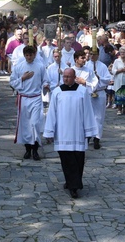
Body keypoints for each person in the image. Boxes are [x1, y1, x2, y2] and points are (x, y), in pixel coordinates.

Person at [43, 68, 97, 199]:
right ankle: (73, 186)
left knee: (78, 159)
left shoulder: (82, 91)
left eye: (69, 76)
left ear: (74, 77)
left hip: (78, 131)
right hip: (62, 132)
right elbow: (52, 113)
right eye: (64, 76)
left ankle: (73, 182)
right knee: (66, 160)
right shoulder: (57, 92)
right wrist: (50, 131)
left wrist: (89, 130)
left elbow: (88, 112)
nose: (66, 79)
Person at [9, 45, 46, 160]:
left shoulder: (40, 66)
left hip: (35, 98)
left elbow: (45, 80)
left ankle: (35, 149)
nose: (29, 57)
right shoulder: (19, 67)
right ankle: (27, 149)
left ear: (35, 54)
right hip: (24, 98)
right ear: (24, 55)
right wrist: (22, 78)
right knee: (25, 125)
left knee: (34, 123)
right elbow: (12, 82)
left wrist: (46, 85)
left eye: (31, 55)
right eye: (27, 55)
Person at [86, 48, 111, 149]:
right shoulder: (86, 65)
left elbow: (108, 79)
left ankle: (97, 138)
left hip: (100, 92)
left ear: (98, 55)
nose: (92, 56)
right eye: (91, 54)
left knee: (99, 117)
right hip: (89, 93)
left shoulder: (102, 66)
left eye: (94, 54)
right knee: (88, 116)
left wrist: (99, 77)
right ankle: (88, 135)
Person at [111, 47, 125, 116]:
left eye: (124, 52)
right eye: (121, 53)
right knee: (119, 95)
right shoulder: (116, 61)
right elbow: (113, 71)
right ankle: (119, 109)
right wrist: (120, 70)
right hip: (119, 80)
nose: (122, 54)